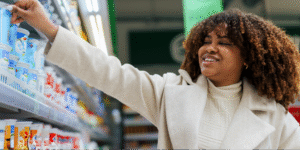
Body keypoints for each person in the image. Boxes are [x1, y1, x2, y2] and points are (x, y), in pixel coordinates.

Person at [9, 0, 300, 149]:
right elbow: (108, 73)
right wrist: (49, 29)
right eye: (205, 41)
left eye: (223, 43)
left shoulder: (276, 118)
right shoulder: (171, 92)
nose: (208, 49)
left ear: (247, 58)